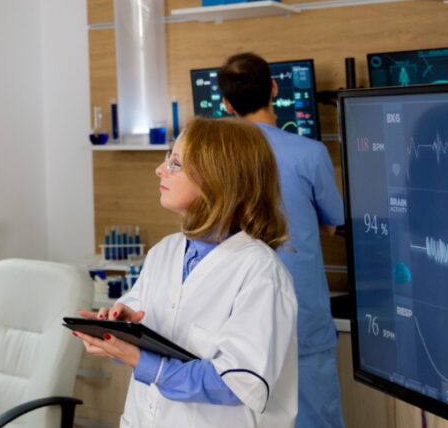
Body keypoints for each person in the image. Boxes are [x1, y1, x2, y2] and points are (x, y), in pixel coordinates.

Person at [74, 117, 299, 427]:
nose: (160, 170)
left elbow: (240, 381)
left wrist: (142, 361)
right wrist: (116, 331)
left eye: (175, 163)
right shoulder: (165, 252)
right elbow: (144, 324)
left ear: (218, 179)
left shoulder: (260, 272)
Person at [217, 52, 346, 428]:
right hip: (300, 315)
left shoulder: (215, 161)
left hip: (235, 315)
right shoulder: (309, 153)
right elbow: (332, 223)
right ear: (274, 88)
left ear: (226, 104)